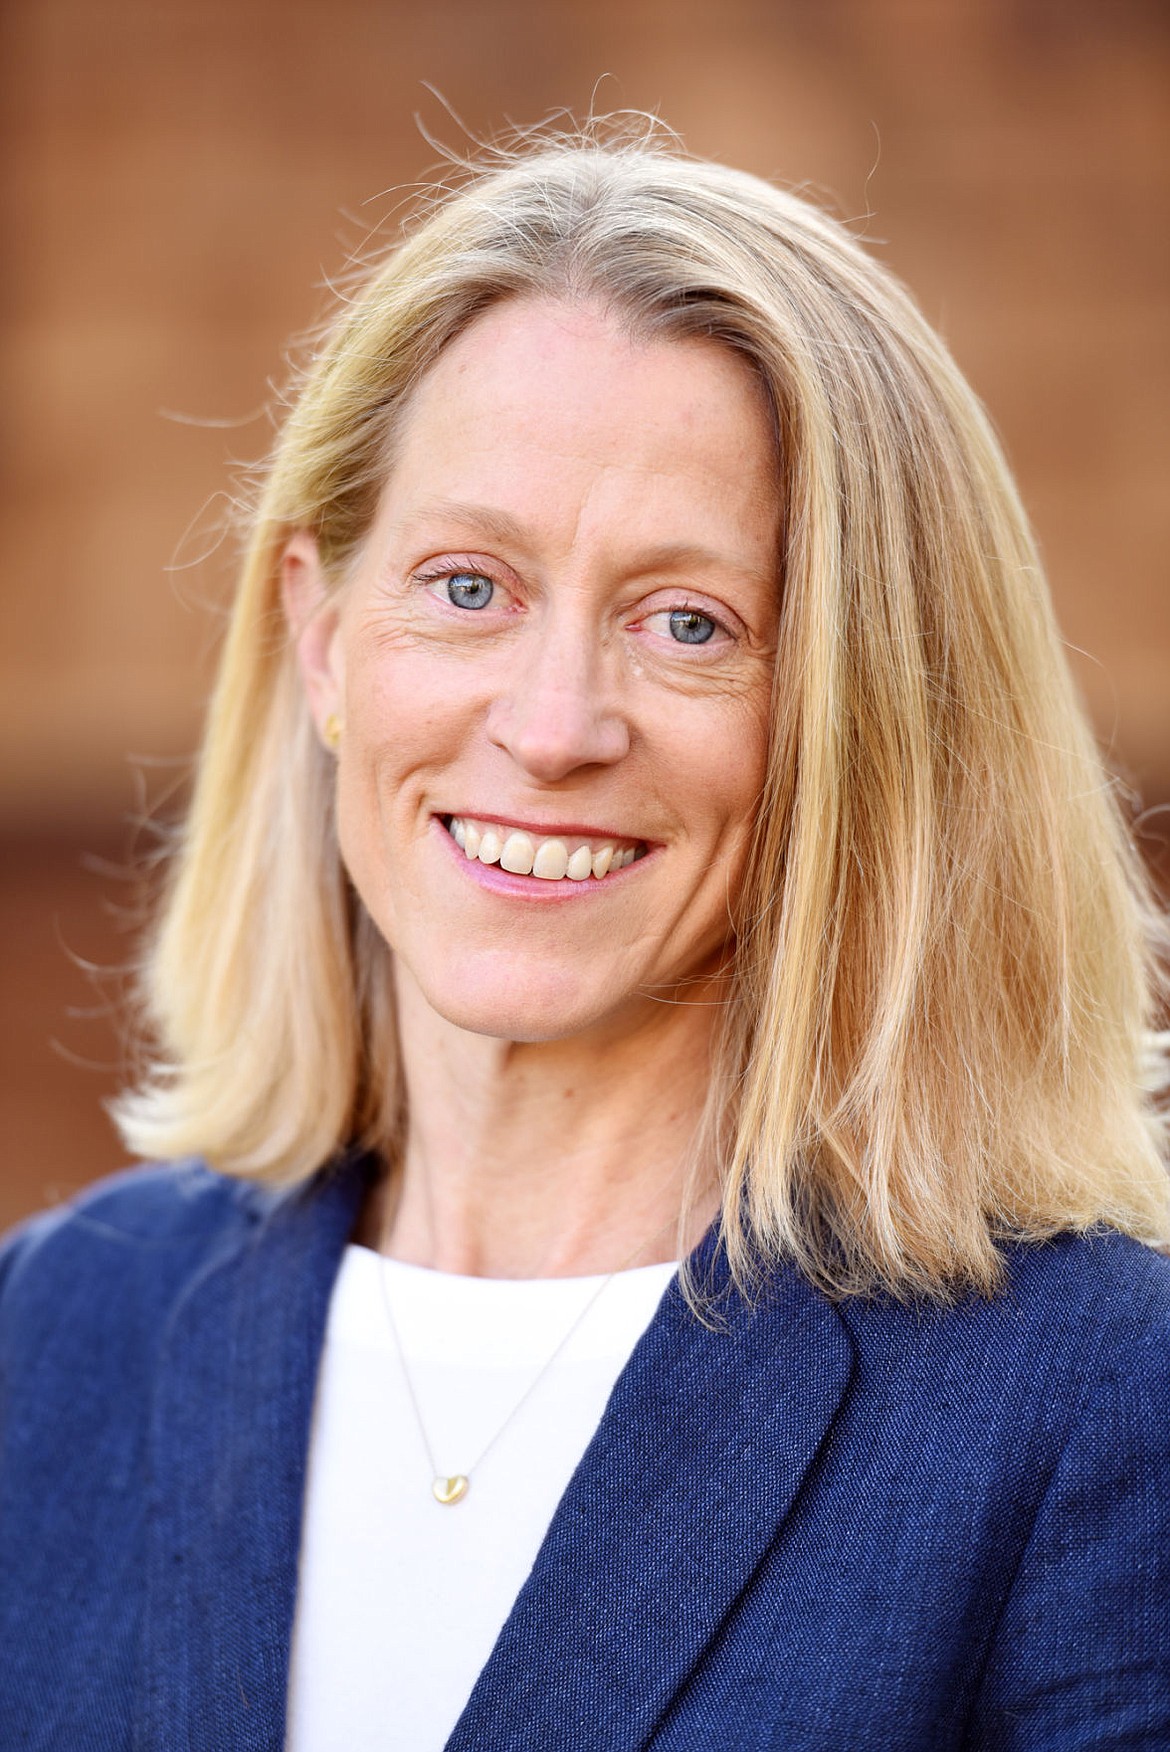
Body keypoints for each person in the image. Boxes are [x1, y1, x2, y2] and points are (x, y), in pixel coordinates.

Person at [1, 119, 1168, 1751]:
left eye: (687, 624)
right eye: (468, 587)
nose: (551, 728)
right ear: (323, 638)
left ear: (866, 718)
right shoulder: (50, 1337)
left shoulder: (1094, 1403)